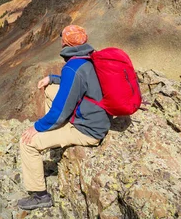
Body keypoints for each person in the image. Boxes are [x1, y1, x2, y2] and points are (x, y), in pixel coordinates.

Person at [17, 24, 111, 210]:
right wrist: (52, 79)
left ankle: (40, 196)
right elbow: (79, 81)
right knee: (51, 90)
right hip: (98, 117)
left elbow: (59, 112)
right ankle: (54, 135)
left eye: (62, 38)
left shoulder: (73, 67)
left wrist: (37, 127)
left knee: (27, 143)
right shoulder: (90, 57)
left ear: (66, 43)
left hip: (87, 130)